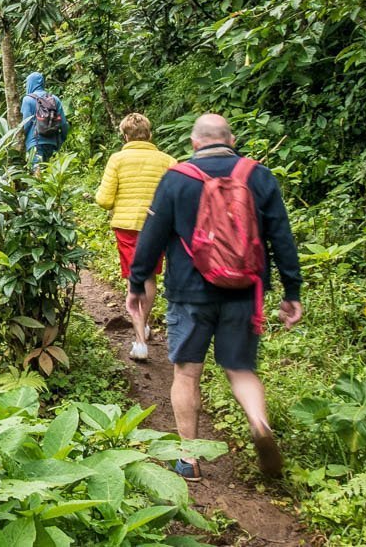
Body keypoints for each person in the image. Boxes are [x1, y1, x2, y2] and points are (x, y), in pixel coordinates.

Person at [127, 113, 303, 481]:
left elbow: (152, 235)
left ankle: (188, 460)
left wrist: (137, 282)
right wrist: (291, 292)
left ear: (194, 143)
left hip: (189, 293)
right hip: (243, 291)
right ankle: (259, 422)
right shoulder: (259, 176)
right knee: (241, 369)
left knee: (187, 372)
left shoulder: (176, 178)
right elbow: (282, 238)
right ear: (232, 140)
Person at [95, 113, 176, 361]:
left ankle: (140, 340)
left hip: (127, 226)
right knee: (149, 275)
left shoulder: (117, 159)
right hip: (158, 225)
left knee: (134, 276)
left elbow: (105, 200)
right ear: (149, 134)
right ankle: (145, 326)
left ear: (125, 135)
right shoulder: (168, 161)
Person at [19, 72, 68, 169]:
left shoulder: (28, 99)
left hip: (35, 142)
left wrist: (20, 140)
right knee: (46, 171)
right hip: (51, 142)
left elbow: (26, 124)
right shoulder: (54, 99)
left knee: (37, 172)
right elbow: (63, 123)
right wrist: (61, 139)